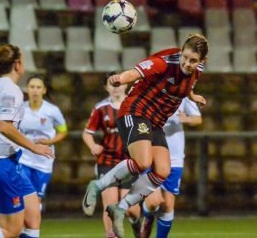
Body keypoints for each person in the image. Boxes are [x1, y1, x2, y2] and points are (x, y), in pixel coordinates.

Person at [82, 33, 208, 238]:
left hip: (155, 122)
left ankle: (120, 208)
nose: (187, 63)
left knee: (163, 170)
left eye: (193, 60)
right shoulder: (164, 62)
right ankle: (97, 186)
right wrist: (120, 78)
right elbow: (134, 73)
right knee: (142, 161)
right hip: (136, 111)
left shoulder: (197, 70)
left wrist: (193, 96)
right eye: (184, 57)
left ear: (202, 61)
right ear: (181, 51)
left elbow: (187, 86)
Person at [0, 44, 53, 238]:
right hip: (1, 164)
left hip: (8, 161)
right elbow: (4, 126)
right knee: (11, 230)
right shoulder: (11, 90)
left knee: (33, 218)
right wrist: (34, 147)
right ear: (17, 65)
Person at [82, 72, 141, 238]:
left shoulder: (134, 106)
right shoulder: (101, 108)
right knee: (110, 205)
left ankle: (136, 223)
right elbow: (87, 133)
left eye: (118, 84)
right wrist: (93, 145)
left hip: (129, 162)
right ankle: (110, 235)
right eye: (111, 84)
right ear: (106, 87)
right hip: (107, 161)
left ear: (125, 85)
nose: (115, 88)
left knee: (131, 209)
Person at [140, 97, 202, 238]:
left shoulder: (183, 94)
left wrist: (187, 119)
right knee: (153, 202)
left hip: (174, 158)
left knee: (167, 205)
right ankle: (148, 217)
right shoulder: (149, 92)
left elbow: (197, 119)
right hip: (151, 153)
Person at [18, 74, 68, 237]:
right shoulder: (20, 109)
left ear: (44, 90)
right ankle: (25, 231)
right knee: (24, 200)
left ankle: (30, 230)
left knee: (36, 202)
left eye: (38, 87)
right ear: (27, 89)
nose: (35, 90)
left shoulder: (52, 110)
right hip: (23, 160)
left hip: (43, 163)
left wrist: (50, 141)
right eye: (32, 87)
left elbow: (63, 131)